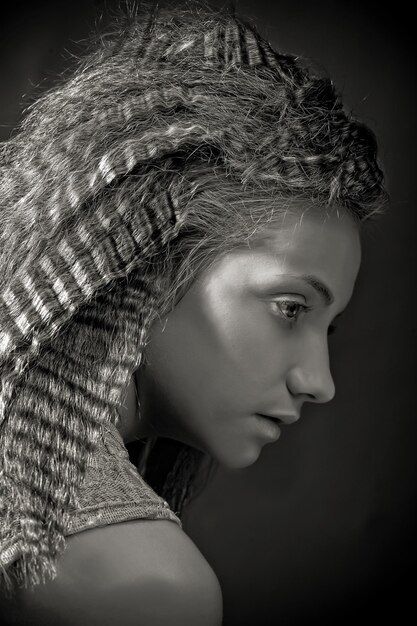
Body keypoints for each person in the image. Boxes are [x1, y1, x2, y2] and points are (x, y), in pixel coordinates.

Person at [0, 1, 387, 624]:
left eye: (328, 326)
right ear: (143, 266)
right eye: (290, 308)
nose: (319, 382)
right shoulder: (144, 584)